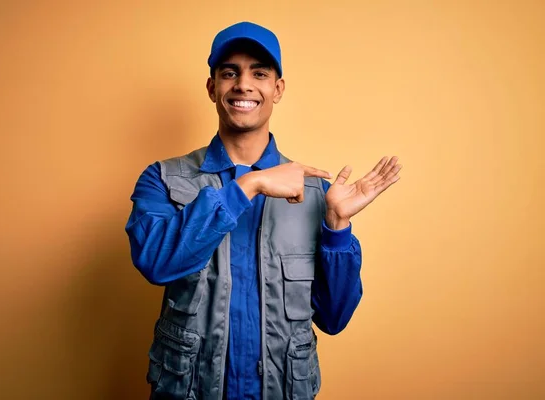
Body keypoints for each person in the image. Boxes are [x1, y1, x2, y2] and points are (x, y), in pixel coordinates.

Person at [126, 21, 402, 400]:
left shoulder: (317, 193)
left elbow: (334, 319)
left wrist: (337, 224)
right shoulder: (162, 178)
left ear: (278, 89)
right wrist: (247, 186)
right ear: (212, 88)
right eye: (229, 73)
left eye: (259, 73)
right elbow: (156, 263)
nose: (243, 84)